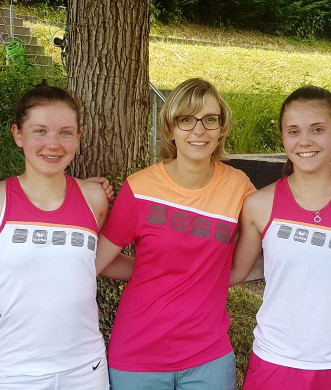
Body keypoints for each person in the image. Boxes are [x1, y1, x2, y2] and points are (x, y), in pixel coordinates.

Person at [0, 82, 110, 389]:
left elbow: (88, 264)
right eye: (40, 131)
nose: (54, 143)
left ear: (78, 138)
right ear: (18, 135)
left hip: (86, 368)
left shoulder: (94, 197)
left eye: (65, 132)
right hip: (13, 372)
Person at [93, 78, 256, 389]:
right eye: (186, 119)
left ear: (222, 127)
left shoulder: (240, 188)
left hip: (208, 353)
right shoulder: (140, 189)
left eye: (210, 119)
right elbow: (98, 260)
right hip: (138, 353)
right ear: (170, 128)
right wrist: (151, 273)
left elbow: (245, 264)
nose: (199, 130)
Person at [228, 86, 331, 389]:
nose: (305, 141)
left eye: (318, 129)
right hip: (277, 358)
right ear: (283, 137)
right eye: (294, 131)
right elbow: (236, 272)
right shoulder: (259, 204)